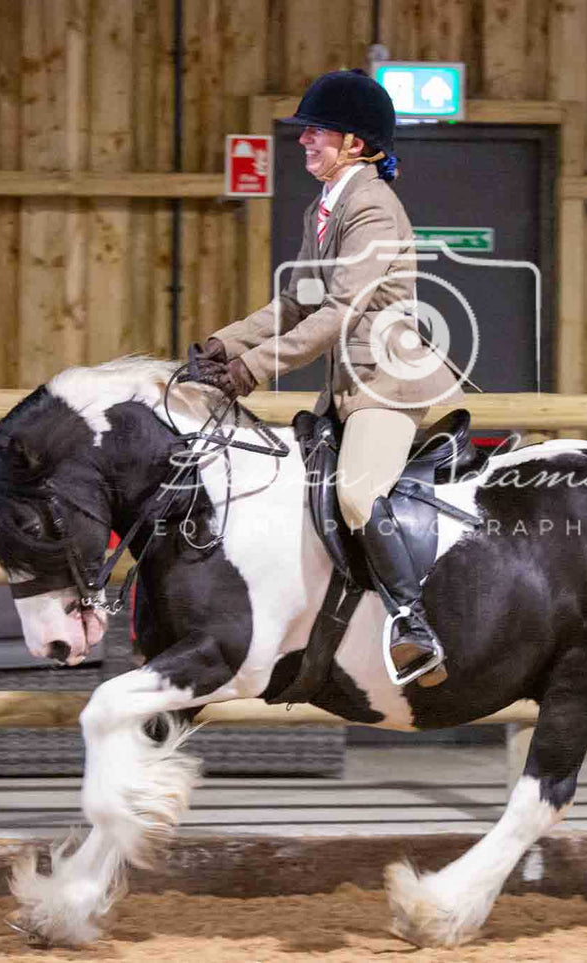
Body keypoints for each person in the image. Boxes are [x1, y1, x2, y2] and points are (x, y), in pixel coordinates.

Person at [188, 69, 464, 687]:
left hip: (386, 380)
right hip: (347, 384)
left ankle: (412, 625)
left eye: (317, 132)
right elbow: (295, 303)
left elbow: (340, 313)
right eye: (306, 132)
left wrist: (251, 370)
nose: (305, 141)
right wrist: (222, 344)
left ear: (356, 145)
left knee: (357, 494)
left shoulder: (372, 208)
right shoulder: (323, 208)